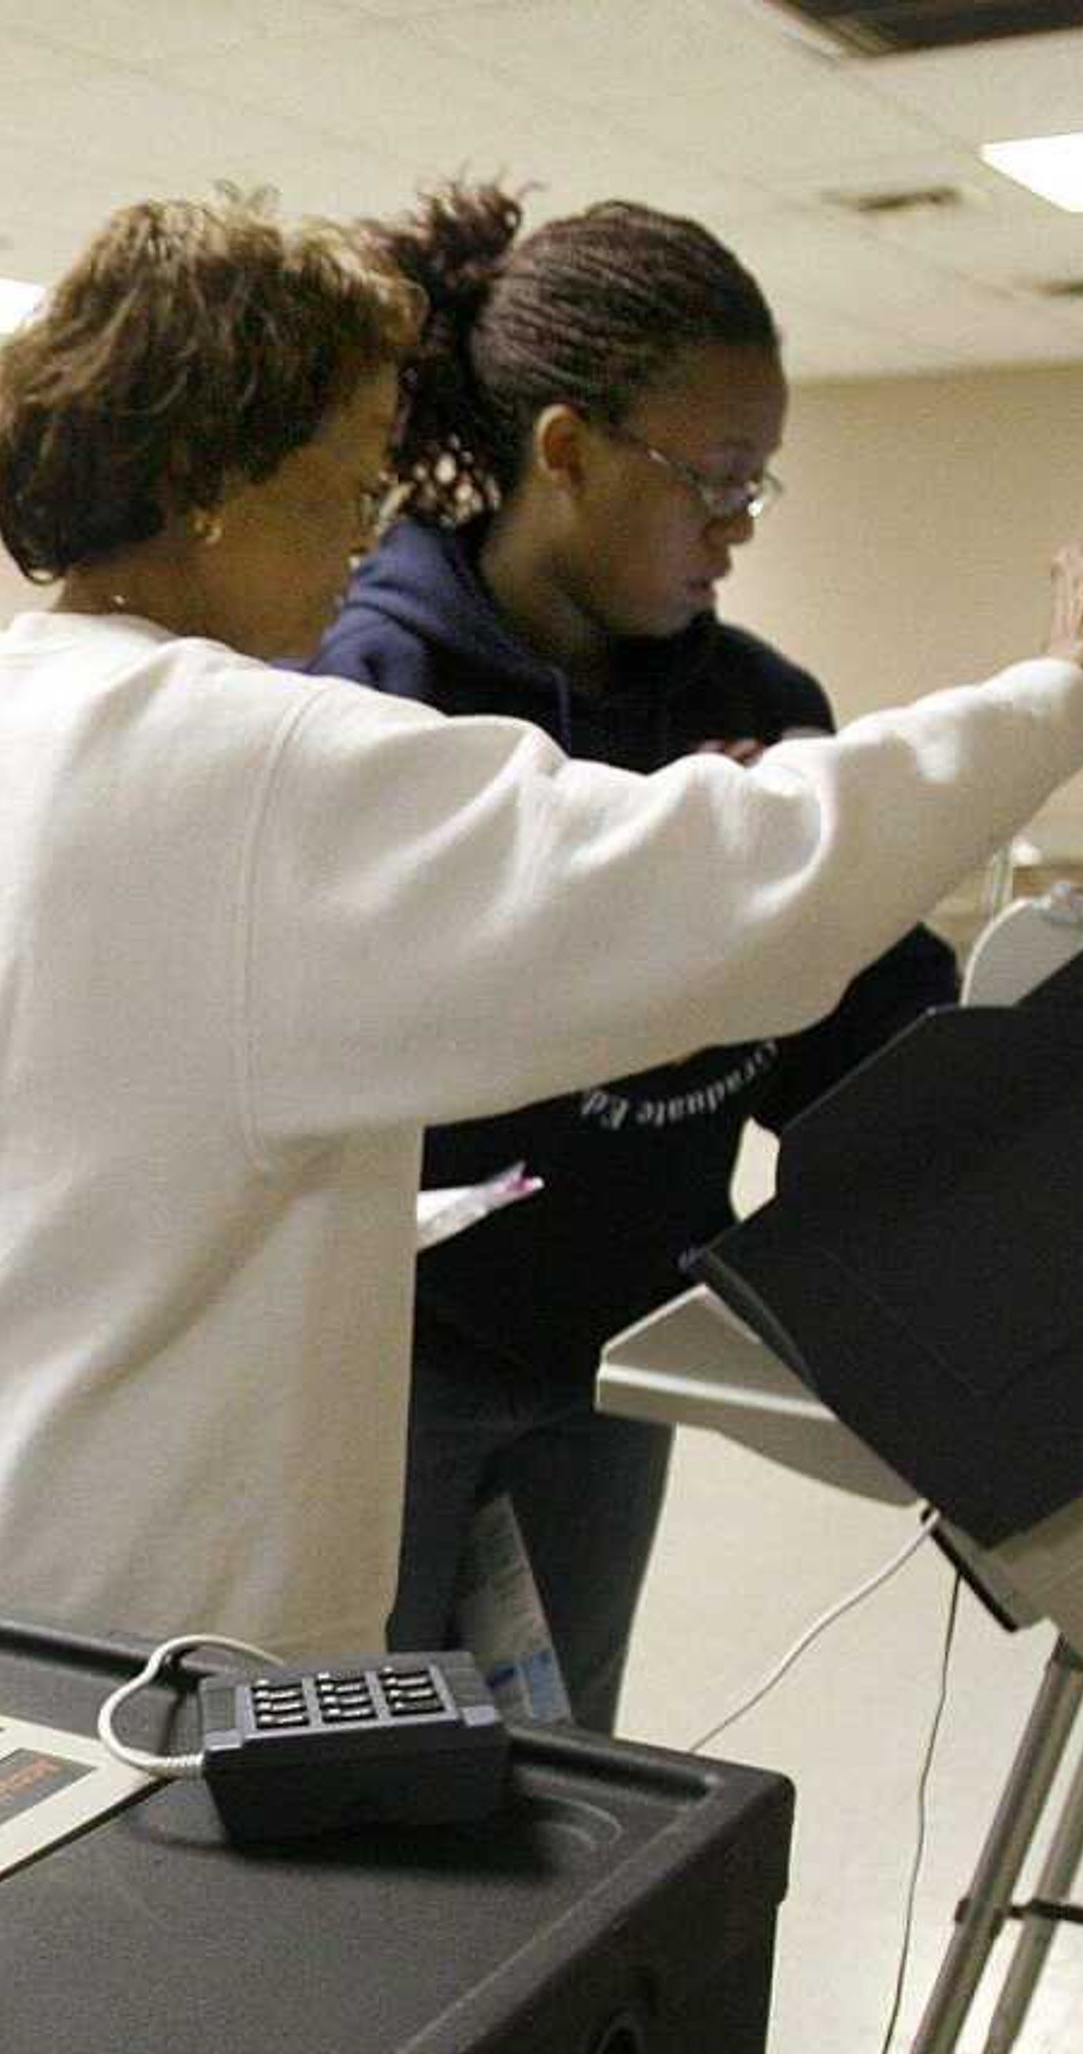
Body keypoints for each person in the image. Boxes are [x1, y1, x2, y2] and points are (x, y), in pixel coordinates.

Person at [0, 191, 1083, 1666]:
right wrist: (1066, 692)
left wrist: (130, 1243)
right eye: (343, 484)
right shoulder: (256, 761)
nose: (364, 535)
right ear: (213, 478)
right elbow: (721, 886)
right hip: (179, 1621)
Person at [304, 185, 952, 1734]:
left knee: (561, 1757)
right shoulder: (369, 691)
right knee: (358, 1767)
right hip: (383, 1368)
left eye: (760, 485)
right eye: (712, 477)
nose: (737, 523)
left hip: (614, 1359)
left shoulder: (756, 704)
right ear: (569, 450)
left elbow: (849, 1018)